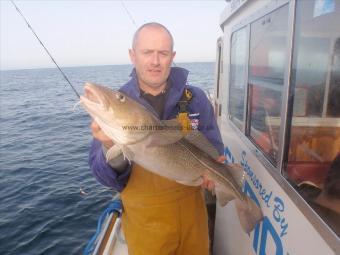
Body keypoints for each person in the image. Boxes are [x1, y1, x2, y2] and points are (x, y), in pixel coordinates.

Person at [89, 22, 224, 255]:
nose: (155, 61)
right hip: (146, 227)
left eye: (162, 53)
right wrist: (110, 146)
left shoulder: (196, 98)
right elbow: (107, 178)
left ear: (172, 57)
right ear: (133, 55)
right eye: (147, 52)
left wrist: (217, 168)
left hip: (194, 218)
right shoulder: (120, 106)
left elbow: (214, 145)